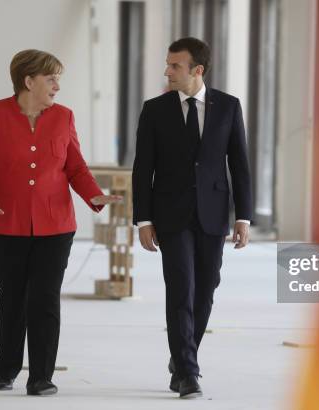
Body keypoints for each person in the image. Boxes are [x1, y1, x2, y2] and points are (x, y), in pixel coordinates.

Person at [0, 49, 121, 396]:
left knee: (45, 298)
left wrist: (93, 195)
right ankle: (6, 367)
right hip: (4, 225)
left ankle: (41, 377)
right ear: (28, 80)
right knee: (13, 298)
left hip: (56, 226)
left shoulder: (64, 117)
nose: (57, 86)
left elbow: (75, 167)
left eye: (58, 78)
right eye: (51, 78)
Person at [132, 37, 253, 399]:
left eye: (175, 66)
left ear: (197, 70)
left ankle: (183, 354)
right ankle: (187, 370)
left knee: (206, 288)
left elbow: (240, 165)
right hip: (170, 215)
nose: (167, 72)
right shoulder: (154, 109)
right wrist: (143, 220)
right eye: (168, 64)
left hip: (213, 213)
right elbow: (143, 169)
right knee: (181, 288)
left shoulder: (229, 106)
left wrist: (243, 216)